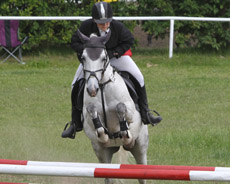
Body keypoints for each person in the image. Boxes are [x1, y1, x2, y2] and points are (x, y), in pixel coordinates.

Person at [61, 1, 162, 139]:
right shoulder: (86, 26)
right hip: (94, 62)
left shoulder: (117, 27)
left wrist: (115, 53)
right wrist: (88, 52)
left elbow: (129, 41)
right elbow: (74, 42)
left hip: (115, 58)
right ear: (94, 20)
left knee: (139, 77)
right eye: (102, 23)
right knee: (75, 83)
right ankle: (75, 123)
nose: (106, 25)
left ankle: (145, 113)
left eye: (108, 22)